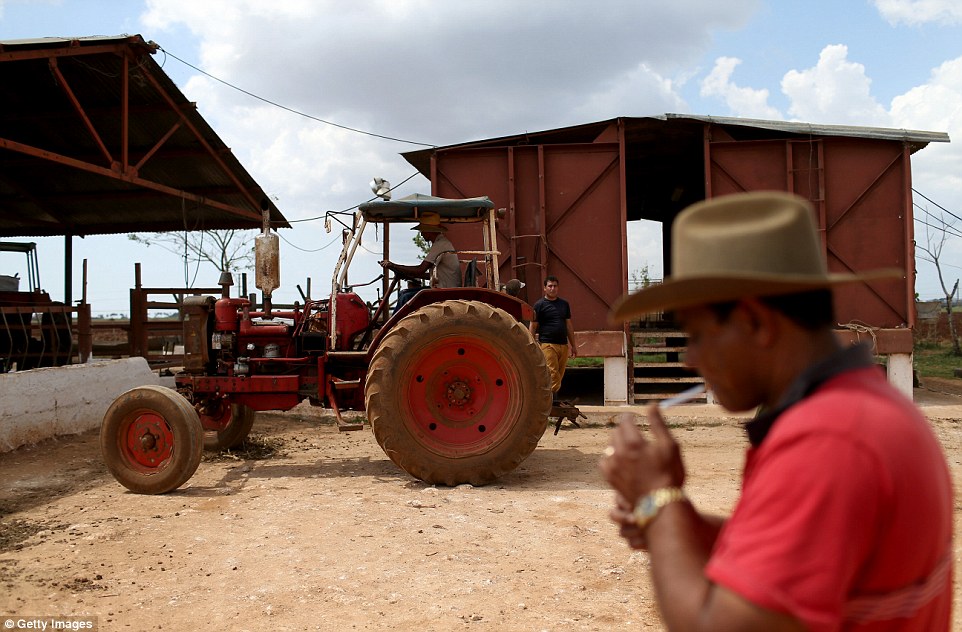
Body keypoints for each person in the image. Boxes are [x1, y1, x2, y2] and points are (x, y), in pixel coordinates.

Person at [599, 191, 953, 631]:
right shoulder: (865, 408)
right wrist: (680, 524)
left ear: (755, 322)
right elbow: (809, 555)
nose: (690, 358)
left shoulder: (825, 442)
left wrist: (658, 499)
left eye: (697, 333)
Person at [380, 213, 460, 309]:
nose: (421, 234)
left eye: (422, 230)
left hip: (445, 291)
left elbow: (420, 269)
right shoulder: (439, 243)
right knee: (403, 293)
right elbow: (428, 274)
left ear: (429, 230)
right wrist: (406, 273)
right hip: (442, 288)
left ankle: (396, 324)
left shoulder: (441, 244)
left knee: (406, 297)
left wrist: (394, 266)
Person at [529, 275, 577, 397]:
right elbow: (533, 326)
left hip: (563, 345)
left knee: (559, 375)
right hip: (548, 345)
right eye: (550, 286)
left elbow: (568, 325)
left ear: (558, 288)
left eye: (555, 286)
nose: (552, 288)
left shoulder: (564, 304)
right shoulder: (539, 305)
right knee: (552, 373)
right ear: (545, 288)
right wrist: (531, 343)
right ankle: (550, 402)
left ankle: (550, 399)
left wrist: (573, 345)